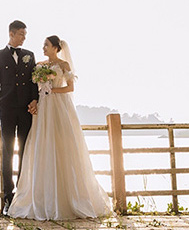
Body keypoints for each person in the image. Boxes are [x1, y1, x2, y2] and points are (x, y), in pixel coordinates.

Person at [8, 35, 112, 220]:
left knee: (63, 146)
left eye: (46, 45)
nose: (43, 48)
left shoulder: (64, 65)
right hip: (43, 109)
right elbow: (35, 88)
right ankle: (41, 199)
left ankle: (67, 198)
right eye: (43, 45)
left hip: (59, 107)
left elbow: (70, 88)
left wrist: (52, 90)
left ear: (56, 47)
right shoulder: (39, 65)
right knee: (42, 145)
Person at [0, 20, 39, 215]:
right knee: (8, 152)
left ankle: (23, 195)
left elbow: (34, 81)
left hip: (26, 109)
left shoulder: (29, 55)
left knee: (25, 152)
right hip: (7, 109)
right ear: (11, 34)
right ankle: (7, 198)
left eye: (25, 35)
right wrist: (0, 103)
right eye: (21, 34)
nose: (24, 38)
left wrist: (35, 100)